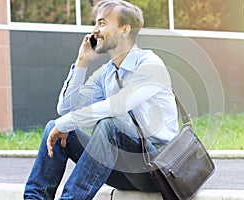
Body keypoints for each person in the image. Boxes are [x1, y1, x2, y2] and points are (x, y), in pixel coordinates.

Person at [24, 0, 178, 199]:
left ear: (124, 29)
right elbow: (66, 109)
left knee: (109, 125)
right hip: (120, 167)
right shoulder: (106, 73)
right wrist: (82, 62)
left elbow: (118, 105)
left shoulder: (149, 64)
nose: (94, 30)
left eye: (102, 23)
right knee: (56, 126)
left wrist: (65, 123)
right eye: (96, 23)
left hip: (155, 168)